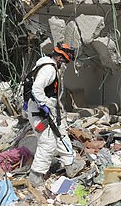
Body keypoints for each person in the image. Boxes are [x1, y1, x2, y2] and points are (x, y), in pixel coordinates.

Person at [25, 42, 84, 187]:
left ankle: (70, 165)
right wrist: (43, 105)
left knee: (61, 135)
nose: (64, 64)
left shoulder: (43, 66)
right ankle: (36, 176)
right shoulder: (48, 70)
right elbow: (37, 88)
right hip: (41, 113)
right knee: (48, 143)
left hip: (50, 110)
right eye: (64, 61)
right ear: (60, 57)